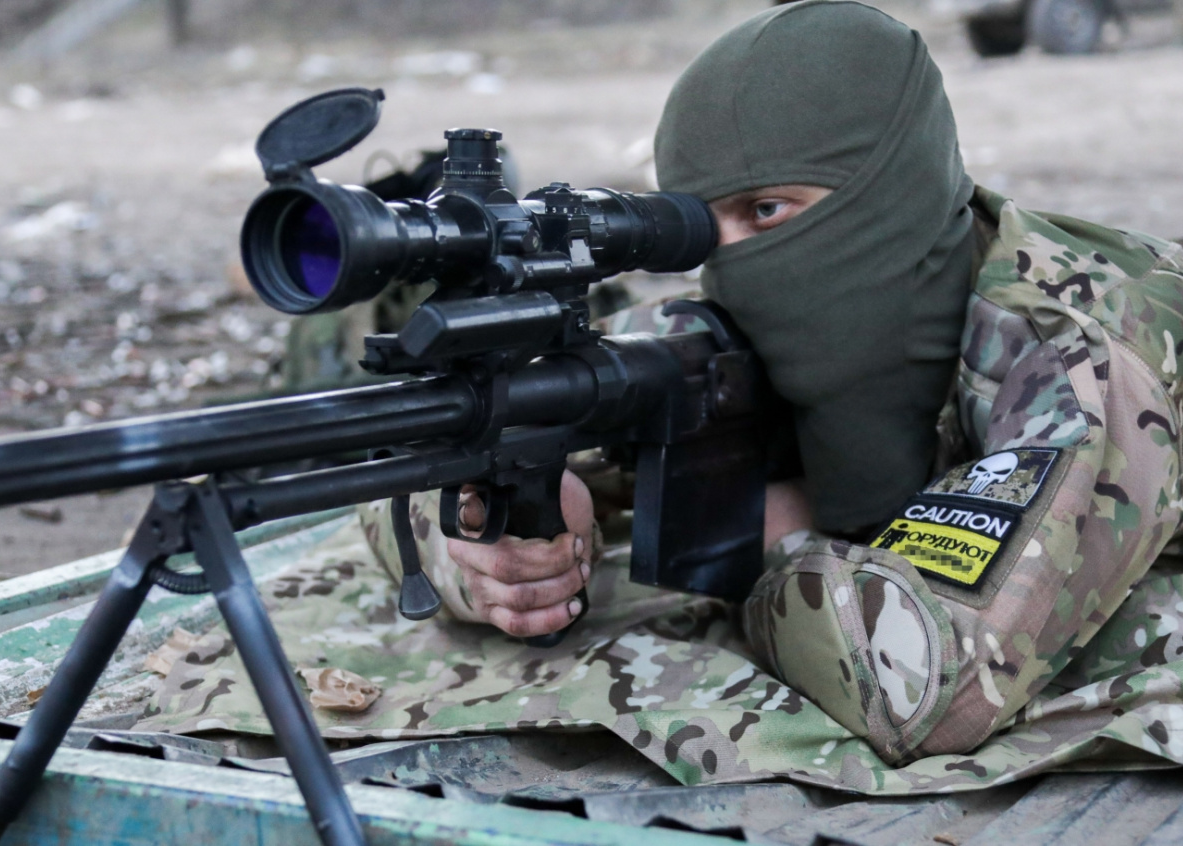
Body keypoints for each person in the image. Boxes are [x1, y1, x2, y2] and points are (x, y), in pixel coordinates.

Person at [361, 0, 1183, 763]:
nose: (736, 265)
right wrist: (481, 543)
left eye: (765, 211)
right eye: (701, 226)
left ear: (887, 187)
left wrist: (768, 541)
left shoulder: (1073, 352)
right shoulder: (733, 322)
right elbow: (430, 449)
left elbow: (931, 691)